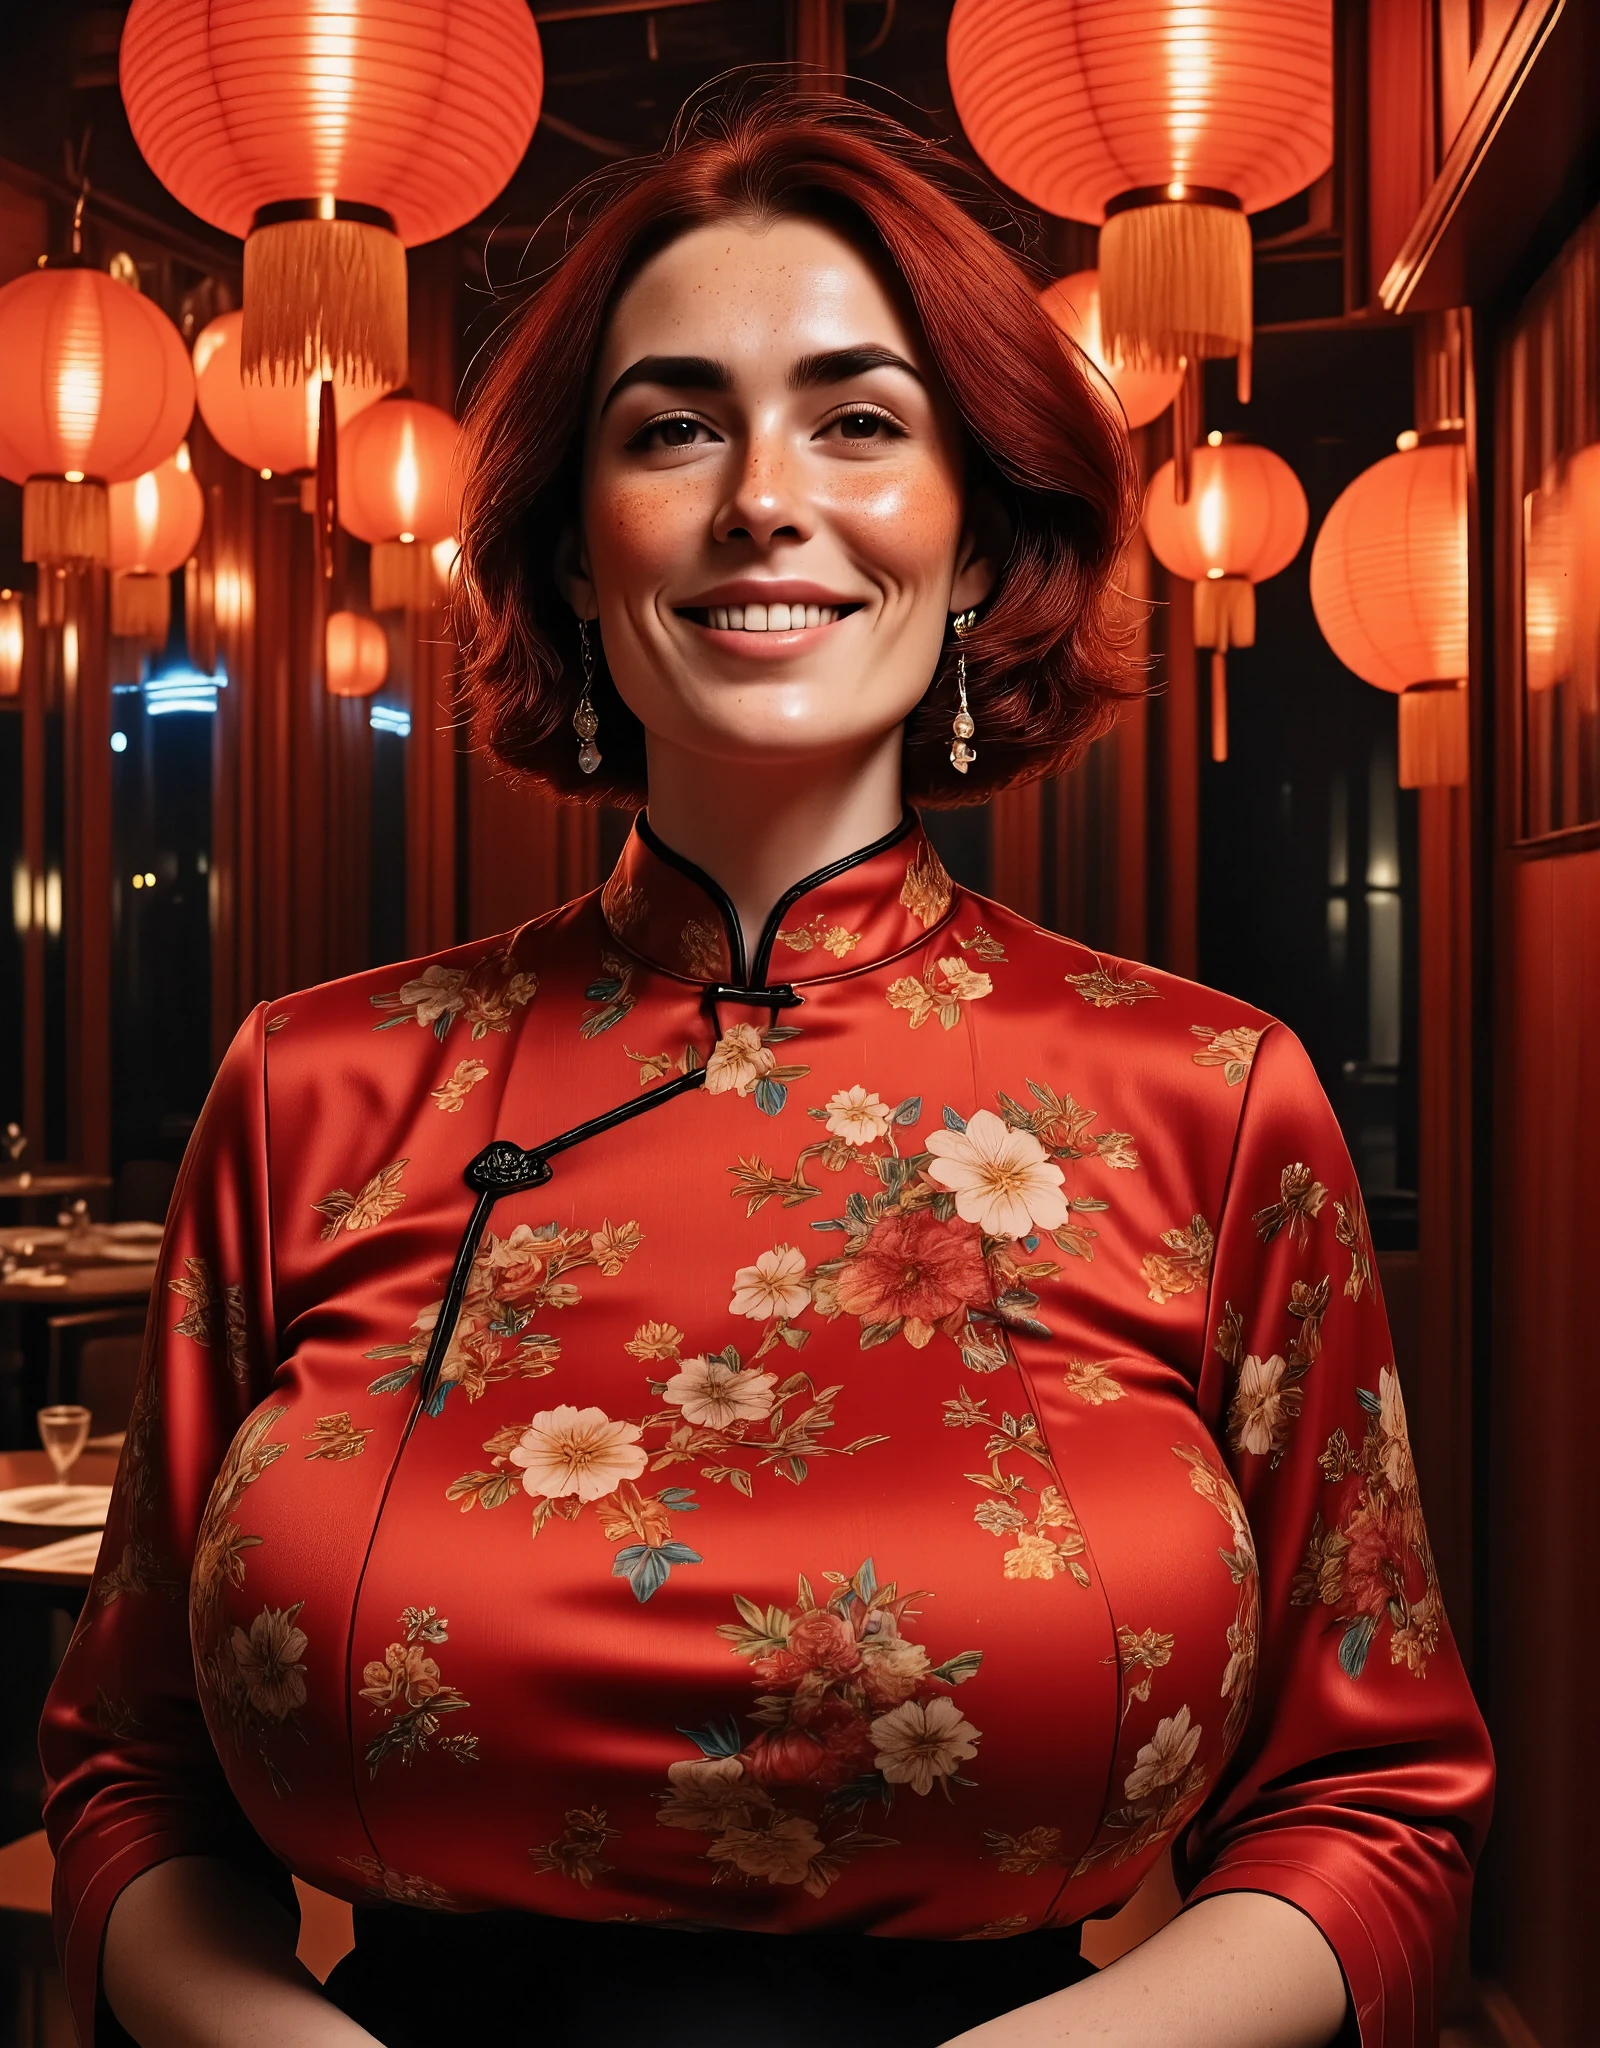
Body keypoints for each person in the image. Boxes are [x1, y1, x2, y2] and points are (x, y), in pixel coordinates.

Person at [43, 90, 1491, 2048]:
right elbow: (132, 1771)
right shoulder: (314, 1083)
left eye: (858, 418)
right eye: (671, 428)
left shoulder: (1207, 1094)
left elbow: (1370, 1802)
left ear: (980, 538)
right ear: (567, 555)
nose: (759, 497)